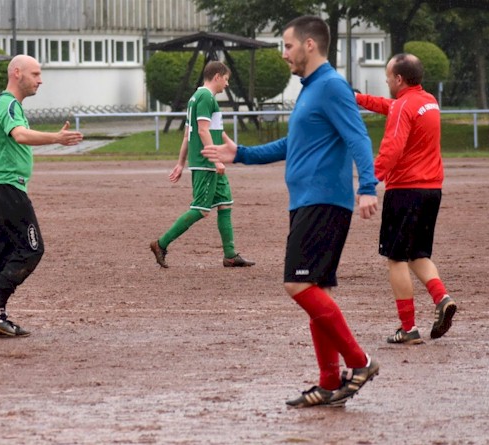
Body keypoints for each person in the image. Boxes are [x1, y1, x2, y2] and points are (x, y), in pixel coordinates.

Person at [202, 16, 379, 408]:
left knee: (297, 285)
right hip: (308, 202)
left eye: (287, 45)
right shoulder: (312, 89)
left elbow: (358, 136)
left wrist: (367, 186)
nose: (283, 54)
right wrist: (242, 154)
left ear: (309, 45)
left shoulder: (331, 86)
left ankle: (359, 362)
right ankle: (329, 383)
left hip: (323, 201)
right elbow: (293, 142)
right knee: (317, 290)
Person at [0, 55, 83, 337]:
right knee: (32, 249)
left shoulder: (6, 105)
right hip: (7, 188)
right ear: (17, 73)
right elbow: (20, 136)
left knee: (2, 252)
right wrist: (56, 139)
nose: (40, 79)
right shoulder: (7, 104)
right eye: (35, 74)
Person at [355, 53, 456, 345]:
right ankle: (442, 298)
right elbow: (394, 107)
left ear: (399, 79)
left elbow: (391, 149)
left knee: (396, 258)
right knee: (418, 255)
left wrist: (368, 182)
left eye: (388, 76)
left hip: (405, 191)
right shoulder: (428, 101)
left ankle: (408, 328)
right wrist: (359, 98)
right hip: (431, 190)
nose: (387, 80)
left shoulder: (403, 105)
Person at [149, 61, 255, 269]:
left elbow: (191, 132)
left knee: (225, 204)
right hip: (207, 161)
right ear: (217, 76)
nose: (226, 84)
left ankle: (230, 255)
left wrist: (181, 163)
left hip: (208, 160)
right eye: (226, 79)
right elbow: (202, 131)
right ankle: (161, 244)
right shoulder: (206, 97)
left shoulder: (196, 97)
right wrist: (215, 160)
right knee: (201, 209)